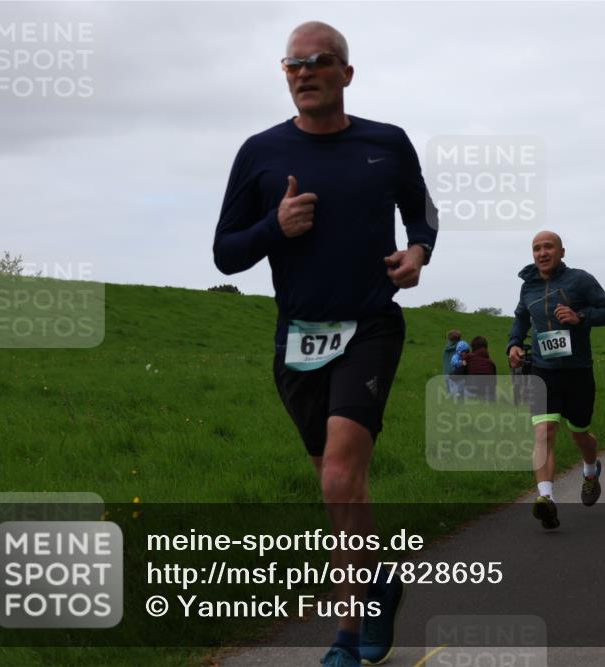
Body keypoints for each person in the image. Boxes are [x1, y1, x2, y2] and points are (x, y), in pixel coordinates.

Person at [212, 21, 437, 667]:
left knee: (342, 471)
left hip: (369, 325)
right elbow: (226, 253)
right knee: (339, 487)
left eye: (318, 61)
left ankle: (343, 633)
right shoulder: (259, 152)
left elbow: (423, 212)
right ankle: (376, 584)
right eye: (293, 64)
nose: (304, 72)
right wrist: (274, 227)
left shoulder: (385, 143)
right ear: (286, 75)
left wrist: (418, 249)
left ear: (346, 72)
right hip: (298, 339)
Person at [507, 231, 605, 530]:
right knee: (544, 432)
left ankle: (591, 471)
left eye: (548, 247)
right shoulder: (527, 286)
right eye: (536, 248)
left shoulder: (580, 280)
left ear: (561, 251)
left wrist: (580, 316)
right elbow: (520, 318)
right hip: (543, 371)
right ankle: (546, 499)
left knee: (580, 434)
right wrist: (514, 344)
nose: (542, 253)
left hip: (578, 371)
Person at [463, 335, 497, 401]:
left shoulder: (469, 358)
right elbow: (494, 382)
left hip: (472, 391)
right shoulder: (491, 363)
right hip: (488, 393)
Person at [442, 330, 462, 395]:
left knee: (449, 386)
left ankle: (449, 392)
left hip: (446, 373)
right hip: (456, 373)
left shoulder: (446, 349)